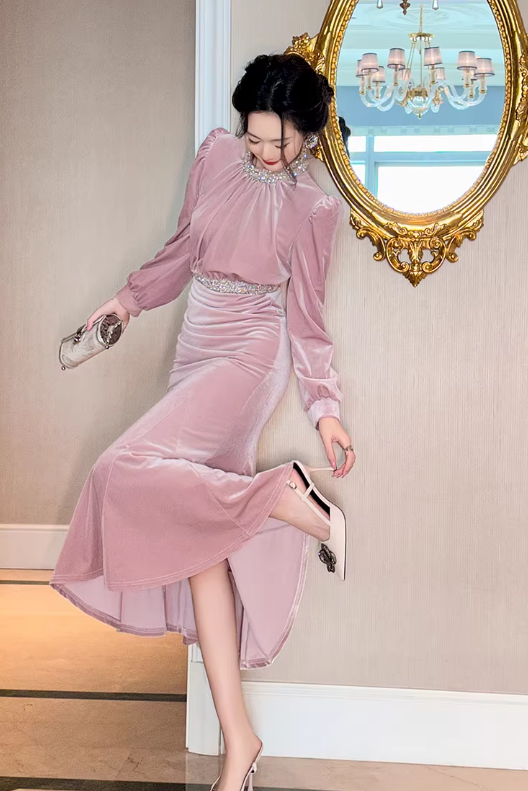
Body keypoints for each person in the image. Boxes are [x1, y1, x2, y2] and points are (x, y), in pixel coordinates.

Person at [50, 53, 356, 791]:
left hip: (251, 356)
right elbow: (185, 250)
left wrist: (326, 410)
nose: (263, 152)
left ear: (307, 135)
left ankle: (290, 497)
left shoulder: (314, 210)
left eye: (279, 142)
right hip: (197, 344)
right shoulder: (216, 155)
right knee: (199, 546)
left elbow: (307, 320)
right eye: (254, 136)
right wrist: (127, 301)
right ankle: (239, 743)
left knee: (120, 468)